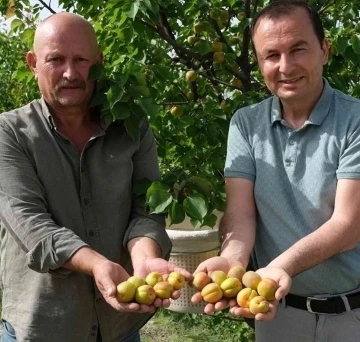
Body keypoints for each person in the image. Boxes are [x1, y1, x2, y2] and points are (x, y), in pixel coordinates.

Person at [0, 12, 192, 342]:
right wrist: (98, 265)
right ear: (33, 63)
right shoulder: (10, 132)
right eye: (56, 60)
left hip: (120, 327)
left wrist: (144, 259)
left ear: (99, 62)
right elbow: (31, 226)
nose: (70, 73)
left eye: (81, 60)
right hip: (43, 327)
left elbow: (146, 209)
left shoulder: (132, 129)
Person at [192, 1, 360, 341]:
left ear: (324, 50)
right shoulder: (245, 124)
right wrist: (233, 260)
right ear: (259, 63)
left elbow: (348, 225)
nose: (285, 66)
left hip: (350, 316)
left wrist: (279, 267)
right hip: (275, 311)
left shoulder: (354, 121)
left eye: (298, 49)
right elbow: (241, 214)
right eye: (271, 55)